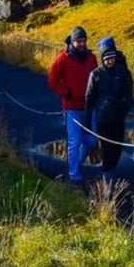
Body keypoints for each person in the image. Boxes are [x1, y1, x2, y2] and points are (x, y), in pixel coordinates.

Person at [48, 27, 98, 183]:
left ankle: (76, 163)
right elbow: (52, 80)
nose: (82, 44)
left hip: (89, 106)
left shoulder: (91, 58)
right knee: (74, 142)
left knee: (92, 141)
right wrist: (65, 92)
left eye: (84, 41)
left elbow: (97, 77)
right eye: (78, 41)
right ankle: (74, 175)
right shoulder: (62, 59)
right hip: (71, 107)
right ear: (72, 41)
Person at [85, 37, 134, 179]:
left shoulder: (123, 72)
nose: (110, 61)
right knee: (107, 151)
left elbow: (128, 92)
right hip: (103, 119)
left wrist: (125, 108)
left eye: (112, 58)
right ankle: (108, 185)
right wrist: (88, 120)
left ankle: (111, 171)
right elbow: (89, 98)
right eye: (107, 58)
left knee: (117, 149)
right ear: (102, 59)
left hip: (119, 118)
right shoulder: (95, 75)